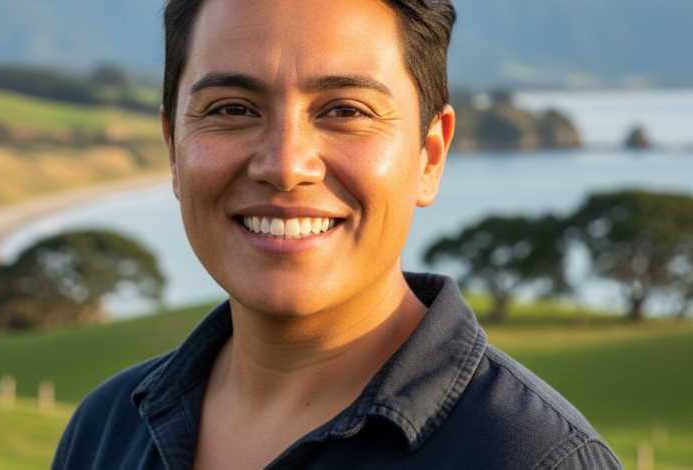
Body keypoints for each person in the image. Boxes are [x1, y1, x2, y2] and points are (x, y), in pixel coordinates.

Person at [52, 0, 623, 468]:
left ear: (429, 156)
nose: (285, 165)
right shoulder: (105, 431)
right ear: (173, 148)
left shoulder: (533, 459)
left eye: (346, 111)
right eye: (233, 109)